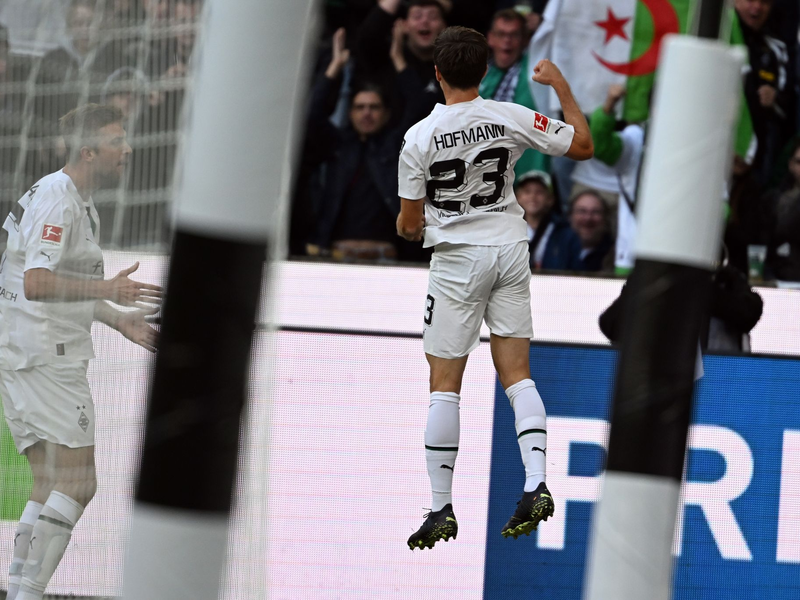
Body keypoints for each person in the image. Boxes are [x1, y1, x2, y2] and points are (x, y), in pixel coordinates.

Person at [396, 26, 592, 549]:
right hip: (509, 248)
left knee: (445, 384)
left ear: (437, 73)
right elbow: (583, 145)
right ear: (484, 72)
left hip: (457, 260)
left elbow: (410, 225)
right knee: (518, 375)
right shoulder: (509, 116)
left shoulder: (419, 137)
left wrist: (410, 225)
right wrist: (560, 86)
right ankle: (536, 483)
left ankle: (441, 507)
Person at [0, 104, 162, 600]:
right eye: (116, 142)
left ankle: (18, 591)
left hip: (25, 350)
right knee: (78, 484)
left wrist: (117, 318)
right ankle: (29, 594)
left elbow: (55, 285)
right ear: (89, 152)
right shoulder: (59, 201)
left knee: (49, 481)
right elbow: (37, 283)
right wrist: (108, 289)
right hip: (45, 355)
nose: (127, 150)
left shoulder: (75, 200)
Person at [306, 27, 428, 261]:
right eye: (360, 107)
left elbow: (419, 106)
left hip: (389, 257)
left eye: (374, 107)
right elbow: (313, 114)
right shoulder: (337, 145)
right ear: (350, 113)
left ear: (386, 114)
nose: (366, 113)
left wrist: (398, 58)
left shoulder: (396, 145)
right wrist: (335, 66)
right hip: (336, 256)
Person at [480, 9, 550, 178]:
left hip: (528, 171)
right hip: (486, 170)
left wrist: (544, 27)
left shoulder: (536, 71)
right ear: (490, 38)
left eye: (514, 35)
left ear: (525, 40)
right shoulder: (478, 74)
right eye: (501, 34)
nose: (507, 40)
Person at [355, 0, 447, 123]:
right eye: (417, 16)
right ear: (404, 25)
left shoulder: (453, 66)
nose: (425, 21)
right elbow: (367, 36)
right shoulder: (383, 57)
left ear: (444, 26)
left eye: (433, 17)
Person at [735, 0, 791, 187]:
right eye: (750, 0)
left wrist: (775, 98)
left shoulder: (776, 47)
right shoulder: (720, 36)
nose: (757, 7)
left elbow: (790, 101)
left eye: (765, 2)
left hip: (756, 154)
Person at [515, 170, 582, 271]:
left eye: (539, 192)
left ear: (550, 199)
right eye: (527, 191)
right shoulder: (507, 230)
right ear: (517, 198)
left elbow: (576, 270)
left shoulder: (565, 233)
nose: (533, 197)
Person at [568, 190, 614, 272]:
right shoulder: (555, 250)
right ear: (570, 216)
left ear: (605, 218)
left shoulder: (616, 256)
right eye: (582, 211)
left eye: (596, 212)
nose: (588, 218)